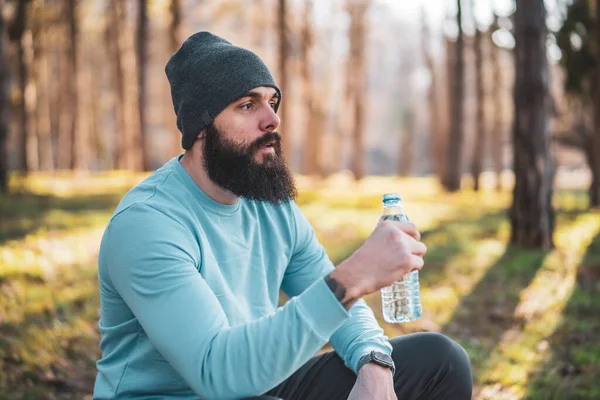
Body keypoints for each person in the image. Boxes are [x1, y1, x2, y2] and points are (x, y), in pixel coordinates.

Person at [92, 31, 472, 400]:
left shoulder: (270, 205)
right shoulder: (147, 224)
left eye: (273, 102)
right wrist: (354, 276)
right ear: (201, 127)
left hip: (255, 381)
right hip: (184, 391)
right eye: (247, 105)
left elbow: (335, 303)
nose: (271, 119)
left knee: (441, 361)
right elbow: (215, 371)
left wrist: (374, 363)